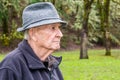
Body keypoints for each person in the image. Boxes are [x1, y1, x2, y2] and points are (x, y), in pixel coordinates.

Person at [0, 2, 67, 80]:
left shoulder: (52, 64)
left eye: (59, 28)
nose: (60, 34)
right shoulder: (11, 66)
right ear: (33, 33)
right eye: (53, 28)